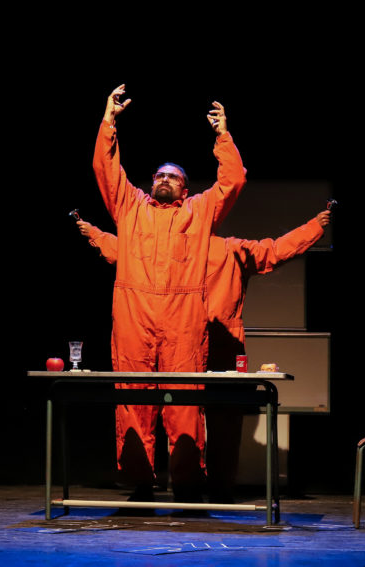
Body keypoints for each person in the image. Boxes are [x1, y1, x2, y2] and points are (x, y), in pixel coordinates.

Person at [76, 209, 331, 502]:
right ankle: (178, 486)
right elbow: (123, 251)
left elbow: (273, 251)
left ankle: (201, 487)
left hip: (217, 345)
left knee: (210, 418)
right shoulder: (171, 249)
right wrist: (94, 234)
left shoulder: (227, 249)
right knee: (174, 416)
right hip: (182, 343)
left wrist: (313, 228)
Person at [93, 84, 247, 503]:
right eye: (159, 175)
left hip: (183, 316)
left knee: (185, 402)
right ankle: (141, 481)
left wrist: (223, 136)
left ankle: (187, 483)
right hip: (134, 310)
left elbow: (232, 181)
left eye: (173, 177)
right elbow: (107, 169)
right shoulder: (130, 207)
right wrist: (109, 121)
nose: (163, 179)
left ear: (184, 188)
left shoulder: (199, 211)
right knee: (133, 397)